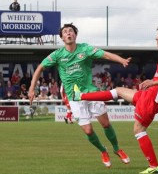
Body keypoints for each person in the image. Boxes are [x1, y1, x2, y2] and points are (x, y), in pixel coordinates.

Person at [73, 25, 158, 174]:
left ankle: (154, 166)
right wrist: (152, 83)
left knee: (138, 129)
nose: (157, 37)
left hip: (153, 97)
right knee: (119, 91)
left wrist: (152, 82)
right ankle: (81, 96)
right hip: (151, 94)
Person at [28, 23, 130, 168]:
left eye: (71, 31)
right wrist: (32, 89)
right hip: (75, 98)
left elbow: (105, 54)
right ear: (62, 38)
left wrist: (121, 60)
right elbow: (39, 68)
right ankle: (103, 150)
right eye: (65, 32)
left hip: (91, 93)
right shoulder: (57, 55)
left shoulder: (85, 49)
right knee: (88, 131)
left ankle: (117, 149)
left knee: (106, 124)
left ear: (75, 35)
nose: (68, 33)